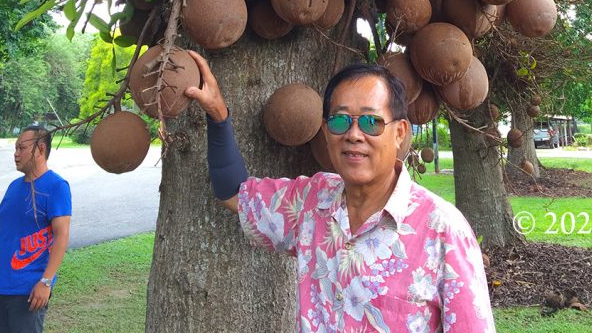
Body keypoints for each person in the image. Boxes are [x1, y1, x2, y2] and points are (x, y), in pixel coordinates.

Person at [184, 54, 495, 332]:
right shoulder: (310, 202)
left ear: (399, 133)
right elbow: (235, 194)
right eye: (340, 120)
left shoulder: (443, 230)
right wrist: (218, 117)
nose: (354, 135)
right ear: (325, 132)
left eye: (372, 122)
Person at [0, 125, 72, 333]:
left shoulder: (56, 186)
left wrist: (46, 282)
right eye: (15, 149)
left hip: (29, 291)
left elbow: (61, 235)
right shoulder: (14, 187)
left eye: (22, 148)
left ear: (40, 149)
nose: (16, 154)